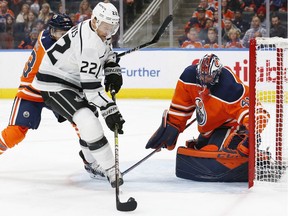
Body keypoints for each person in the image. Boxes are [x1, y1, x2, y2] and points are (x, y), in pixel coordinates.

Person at [0, 13, 105, 180]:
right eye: (58, 33)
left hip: (54, 89)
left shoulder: (63, 41)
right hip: (32, 89)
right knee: (15, 133)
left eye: (65, 33)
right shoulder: (48, 44)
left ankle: (90, 161)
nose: (62, 37)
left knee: (82, 120)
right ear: (51, 31)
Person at [31, 2, 124, 188]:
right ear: (96, 21)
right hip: (54, 83)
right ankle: (111, 170)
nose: (110, 30)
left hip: (72, 80)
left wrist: (112, 67)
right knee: (87, 119)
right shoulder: (89, 44)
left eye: (113, 26)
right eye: (107, 26)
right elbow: (92, 90)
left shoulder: (97, 29)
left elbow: (106, 53)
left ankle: (91, 163)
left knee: (90, 120)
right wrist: (110, 109)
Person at [145, 53, 270, 182]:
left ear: (217, 74)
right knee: (199, 151)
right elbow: (181, 107)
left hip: (230, 124)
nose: (204, 80)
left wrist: (251, 134)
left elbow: (257, 113)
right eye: (202, 75)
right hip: (209, 128)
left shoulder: (230, 87)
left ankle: (259, 158)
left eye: (209, 76)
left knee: (214, 153)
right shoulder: (189, 76)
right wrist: (172, 127)